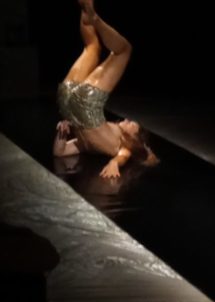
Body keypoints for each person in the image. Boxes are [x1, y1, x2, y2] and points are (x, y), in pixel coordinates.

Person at [53, 0, 158, 179]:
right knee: (92, 47)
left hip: (86, 106)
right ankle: (86, 9)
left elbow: (125, 157)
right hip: (66, 102)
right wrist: (63, 134)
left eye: (132, 124)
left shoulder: (123, 147)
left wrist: (115, 163)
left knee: (124, 50)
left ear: (134, 140)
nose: (128, 119)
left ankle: (94, 18)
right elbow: (60, 153)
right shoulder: (91, 146)